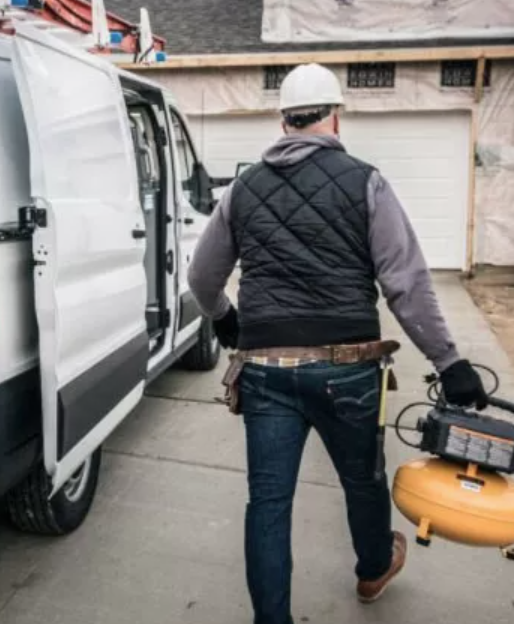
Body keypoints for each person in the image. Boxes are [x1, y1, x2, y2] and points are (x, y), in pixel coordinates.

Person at [187, 63, 487, 624]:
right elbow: (407, 284)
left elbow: (202, 278)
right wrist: (449, 362)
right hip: (349, 370)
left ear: (283, 120)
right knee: (362, 478)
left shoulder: (244, 187)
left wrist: (226, 320)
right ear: (335, 116)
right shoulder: (365, 181)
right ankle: (373, 571)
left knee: (268, 504)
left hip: (265, 370)